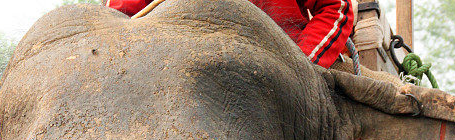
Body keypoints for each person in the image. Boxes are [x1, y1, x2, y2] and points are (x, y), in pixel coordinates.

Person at [103, 0, 354, 69]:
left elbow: (335, 8)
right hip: (181, 66)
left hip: (279, 61)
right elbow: (120, 19)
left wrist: (302, 64)